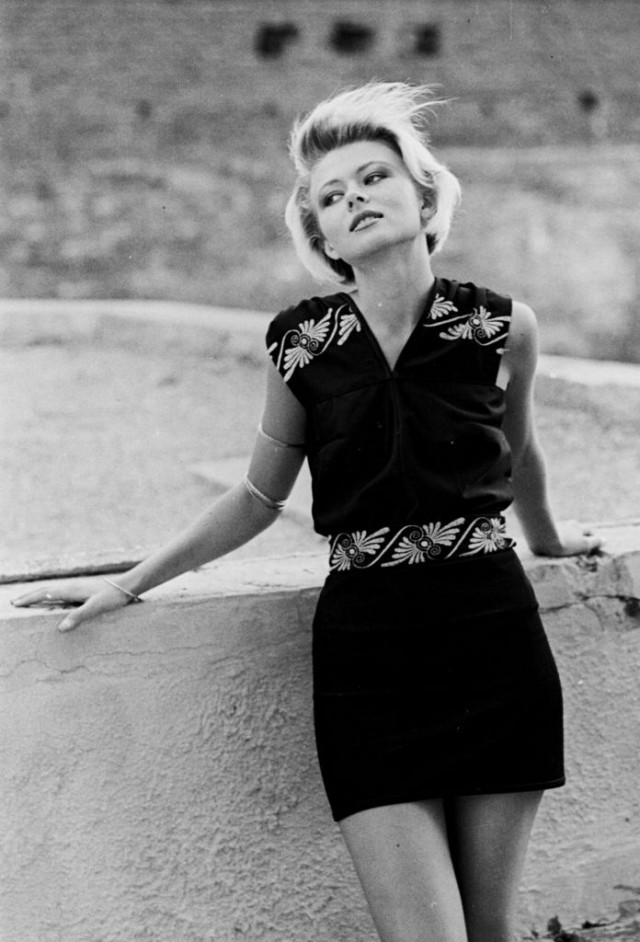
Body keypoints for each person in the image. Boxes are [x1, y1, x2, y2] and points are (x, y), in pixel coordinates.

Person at [13, 82, 601, 942]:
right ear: (322, 238)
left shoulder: (503, 327)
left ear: (425, 198)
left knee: (490, 930)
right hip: (369, 655)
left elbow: (524, 453)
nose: (354, 197)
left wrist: (550, 540)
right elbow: (259, 497)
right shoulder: (300, 345)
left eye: (374, 177)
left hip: (494, 639)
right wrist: (128, 584)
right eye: (331, 195)